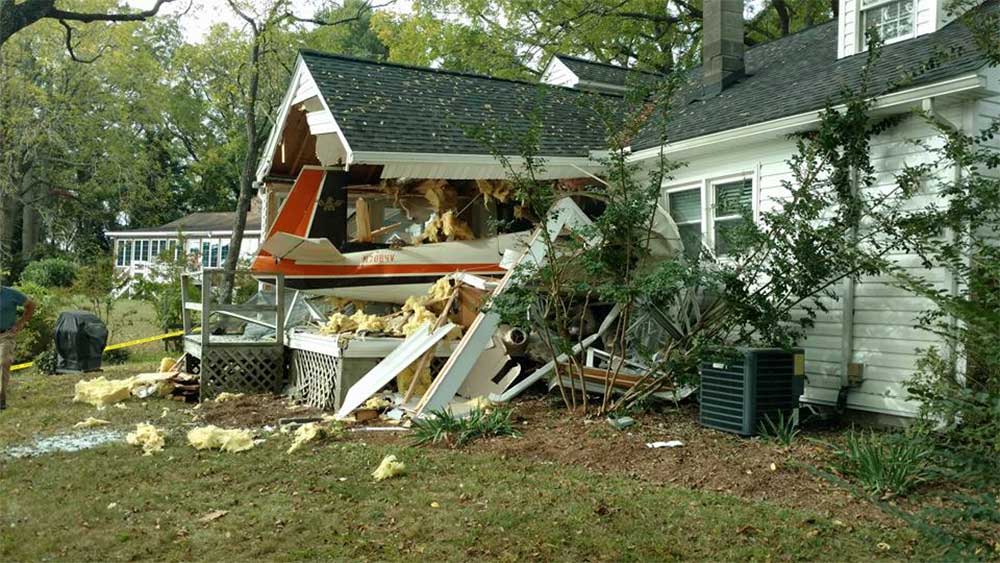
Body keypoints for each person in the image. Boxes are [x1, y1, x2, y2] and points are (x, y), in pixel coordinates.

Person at [0, 285, 35, 410]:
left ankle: (1, 400)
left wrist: (21, 323)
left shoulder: (10, 294)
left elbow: (30, 305)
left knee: (4, 362)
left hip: (6, 335)